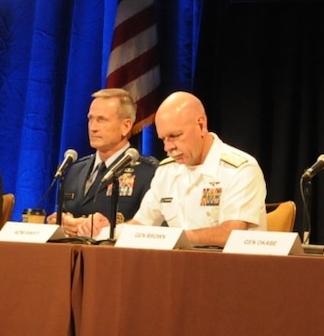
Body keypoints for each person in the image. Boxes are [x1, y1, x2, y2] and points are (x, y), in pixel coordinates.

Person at [109, 91, 266, 247]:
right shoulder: (166, 171)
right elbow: (142, 224)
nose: (168, 147)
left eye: (175, 136)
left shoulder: (240, 170)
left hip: (231, 267)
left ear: (201, 124)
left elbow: (231, 234)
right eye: (163, 139)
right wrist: (107, 231)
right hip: (181, 266)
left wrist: (171, 238)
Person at [56, 87, 159, 236]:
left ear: (126, 126)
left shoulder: (148, 172)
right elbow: (67, 214)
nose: (93, 127)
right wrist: (61, 223)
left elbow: (153, 229)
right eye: (90, 119)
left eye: (101, 120)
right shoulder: (75, 169)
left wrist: (107, 230)